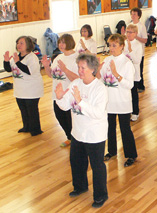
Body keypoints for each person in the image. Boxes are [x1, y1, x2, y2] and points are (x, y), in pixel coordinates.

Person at [55, 53, 108, 208]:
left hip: (95, 134)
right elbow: (65, 106)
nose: (80, 70)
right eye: (79, 67)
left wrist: (80, 102)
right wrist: (59, 97)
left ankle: (100, 195)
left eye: (83, 67)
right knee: (76, 162)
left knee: (97, 166)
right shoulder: (75, 83)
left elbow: (97, 114)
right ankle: (80, 186)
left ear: (92, 69)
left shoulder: (100, 88)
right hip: (77, 132)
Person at [98, 34, 138, 167]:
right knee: (109, 127)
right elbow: (100, 80)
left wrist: (116, 74)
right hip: (109, 102)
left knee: (125, 129)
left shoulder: (126, 63)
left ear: (122, 46)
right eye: (110, 45)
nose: (111, 48)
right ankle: (111, 151)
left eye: (114, 45)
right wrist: (98, 71)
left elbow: (130, 85)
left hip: (122, 102)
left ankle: (131, 155)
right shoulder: (107, 60)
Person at [42, 34, 79, 147]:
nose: (61, 45)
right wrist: (46, 67)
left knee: (70, 119)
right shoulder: (58, 57)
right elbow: (52, 75)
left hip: (70, 95)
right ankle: (69, 137)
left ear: (70, 43)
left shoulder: (77, 58)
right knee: (60, 116)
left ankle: (76, 139)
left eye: (64, 42)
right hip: (57, 94)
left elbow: (78, 78)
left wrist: (65, 70)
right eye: (60, 42)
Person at [3, 36, 44, 136]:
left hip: (31, 90)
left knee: (32, 110)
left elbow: (28, 71)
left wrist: (17, 62)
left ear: (28, 45)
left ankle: (35, 129)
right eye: (18, 43)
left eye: (21, 43)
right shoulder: (17, 56)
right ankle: (27, 127)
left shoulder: (32, 57)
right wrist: (6, 61)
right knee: (23, 109)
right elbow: (9, 69)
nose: (18, 45)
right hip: (20, 90)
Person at [124, 24, 143, 122]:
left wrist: (130, 50)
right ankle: (127, 111)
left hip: (134, 74)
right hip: (124, 74)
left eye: (130, 32)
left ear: (135, 33)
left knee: (133, 93)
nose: (128, 34)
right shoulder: (123, 43)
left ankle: (135, 112)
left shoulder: (138, 45)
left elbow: (137, 61)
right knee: (125, 93)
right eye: (127, 32)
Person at [130, 7, 148, 92]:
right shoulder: (129, 25)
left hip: (139, 52)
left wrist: (136, 36)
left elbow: (145, 40)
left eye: (134, 14)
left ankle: (140, 86)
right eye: (132, 14)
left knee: (139, 69)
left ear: (138, 16)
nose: (132, 16)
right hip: (130, 52)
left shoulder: (141, 26)